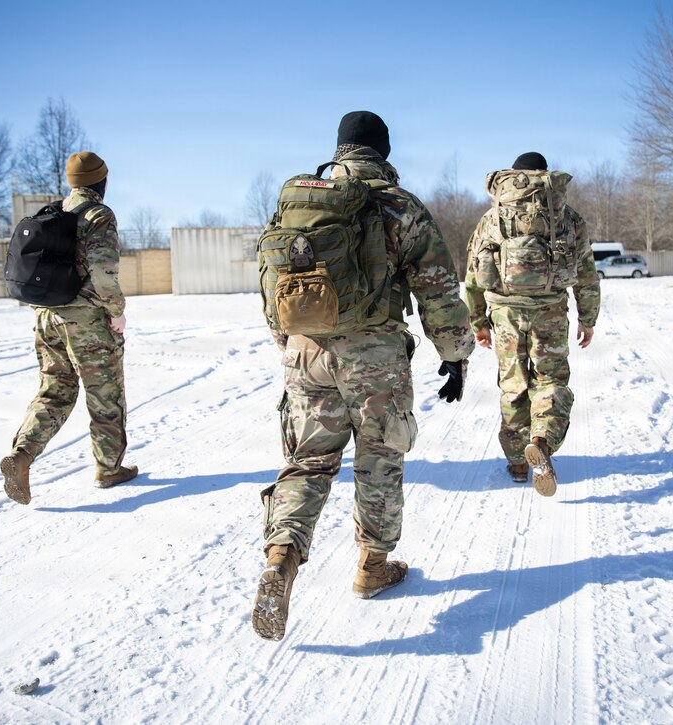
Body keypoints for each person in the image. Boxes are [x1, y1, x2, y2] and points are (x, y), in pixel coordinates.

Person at [252, 111, 475, 641]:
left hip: (306, 350)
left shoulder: (299, 204)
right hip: (374, 355)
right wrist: (455, 353)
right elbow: (438, 289)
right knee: (379, 459)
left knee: (308, 461)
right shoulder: (400, 206)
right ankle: (372, 567)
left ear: (340, 149)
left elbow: (272, 279)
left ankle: (281, 557)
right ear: (384, 151)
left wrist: (288, 342)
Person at [0, 151, 137, 505]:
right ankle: (108, 469)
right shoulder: (98, 214)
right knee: (104, 395)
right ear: (102, 182)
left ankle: (22, 454)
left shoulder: (53, 213)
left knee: (54, 391)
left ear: (71, 182)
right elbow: (104, 270)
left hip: (46, 317)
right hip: (86, 321)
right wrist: (116, 310)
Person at [463, 152, 600, 496]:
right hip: (551, 309)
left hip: (504, 313)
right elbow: (586, 271)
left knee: (514, 384)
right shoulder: (566, 217)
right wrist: (588, 318)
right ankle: (541, 441)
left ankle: (518, 461)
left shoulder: (493, 217)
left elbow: (472, 273)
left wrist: (478, 320)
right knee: (550, 380)